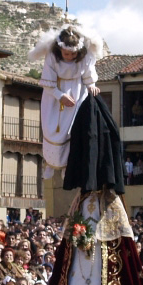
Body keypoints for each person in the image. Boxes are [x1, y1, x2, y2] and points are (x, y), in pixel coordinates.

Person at [29, 24, 103, 179]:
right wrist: (59, 95)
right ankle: (50, 162)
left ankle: (67, 165)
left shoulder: (86, 56)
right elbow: (48, 82)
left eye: (73, 54)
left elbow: (88, 74)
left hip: (77, 94)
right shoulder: (52, 56)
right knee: (53, 130)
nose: (69, 57)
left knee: (73, 131)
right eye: (66, 54)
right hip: (55, 97)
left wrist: (92, 86)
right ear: (60, 49)